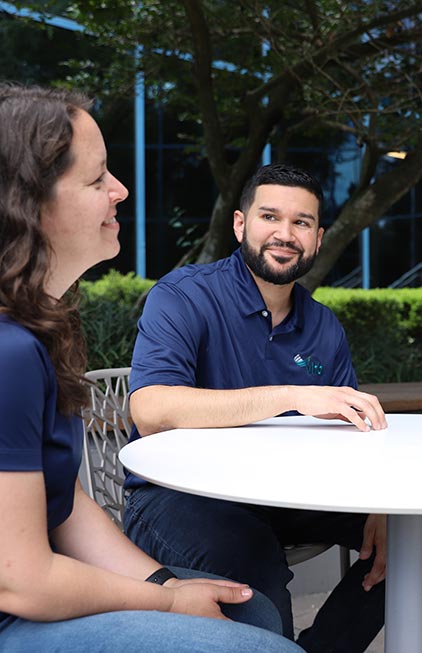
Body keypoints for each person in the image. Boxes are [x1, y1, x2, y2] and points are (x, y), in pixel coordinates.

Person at [0, 84, 303, 653]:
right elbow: (19, 579)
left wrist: (165, 583)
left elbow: (62, 502)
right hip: (15, 613)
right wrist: (166, 601)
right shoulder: (10, 354)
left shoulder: (42, 332)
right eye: (96, 180)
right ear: (26, 203)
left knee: (252, 610)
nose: (120, 189)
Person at [122, 162, 422, 652]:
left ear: (317, 238)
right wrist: (291, 397)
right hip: (177, 496)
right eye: (269, 217)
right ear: (240, 224)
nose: (285, 234)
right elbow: (149, 408)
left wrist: (385, 503)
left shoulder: (323, 326)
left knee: (419, 530)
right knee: (252, 557)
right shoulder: (183, 296)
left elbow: (355, 431)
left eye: (301, 223)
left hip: (284, 493)